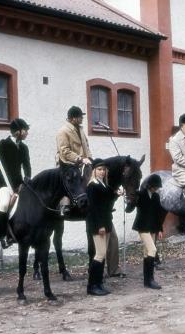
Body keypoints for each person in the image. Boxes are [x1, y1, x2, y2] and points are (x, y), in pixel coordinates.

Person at [86, 158, 122, 296]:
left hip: (106, 222)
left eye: (103, 170)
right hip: (98, 224)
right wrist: (100, 225)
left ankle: (99, 283)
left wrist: (116, 195)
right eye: (99, 169)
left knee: (102, 255)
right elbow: (93, 209)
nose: (102, 172)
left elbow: (107, 204)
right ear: (94, 171)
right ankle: (91, 286)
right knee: (99, 254)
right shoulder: (92, 186)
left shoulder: (103, 185)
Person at [0, 118, 31, 249]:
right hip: (4, 183)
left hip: (19, 183)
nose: (27, 133)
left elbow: (27, 166)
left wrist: (27, 178)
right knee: (4, 204)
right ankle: (2, 235)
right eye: (25, 130)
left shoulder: (24, 147)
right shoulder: (3, 144)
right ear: (18, 131)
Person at [56, 106, 92, 215]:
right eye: (80, 117)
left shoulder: (80, 129)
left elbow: (86, 145)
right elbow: (65, 151)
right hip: (68, 163)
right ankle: (64, 204)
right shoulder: (63, 131)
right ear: (73, 118)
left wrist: (90, 158)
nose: (82, 119)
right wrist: (80, 159)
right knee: (73, 176)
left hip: (83, 161)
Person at [132, 174, 164, 289]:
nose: (155, 189)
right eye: (154, 186)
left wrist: (160, 229)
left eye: (157, 187)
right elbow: (130, 207)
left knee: (147, 253)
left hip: (153, 227)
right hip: (142, 227)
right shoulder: (140, 194)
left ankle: (147, 280)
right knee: (152, 250)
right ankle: (150, 279)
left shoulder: (156, 196)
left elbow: (158, 214)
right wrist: (131, 199)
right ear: (149, 185)